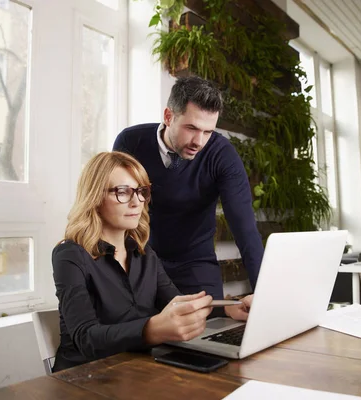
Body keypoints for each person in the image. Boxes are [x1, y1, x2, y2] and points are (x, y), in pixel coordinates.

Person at [51, 151, 247, 372]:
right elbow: (86, 338)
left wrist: (230, 307)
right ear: (94, 198)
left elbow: (178, 304)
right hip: (83, 378)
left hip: (134, 370)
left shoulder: (145, 254)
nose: (137, 202)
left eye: (141, 191)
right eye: (122, 192)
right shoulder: (69, 255)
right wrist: (152, 329)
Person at [113, 76, 263, 312]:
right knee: (140, 338)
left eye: (208, 132)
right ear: (168, 116)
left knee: (208, 336)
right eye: (191, 128)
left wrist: (263, 294)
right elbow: (114, 211)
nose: (199, 142)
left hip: (196, 263)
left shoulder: (222, 155)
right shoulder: (131, 142)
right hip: (141, 258)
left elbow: (244, 228)